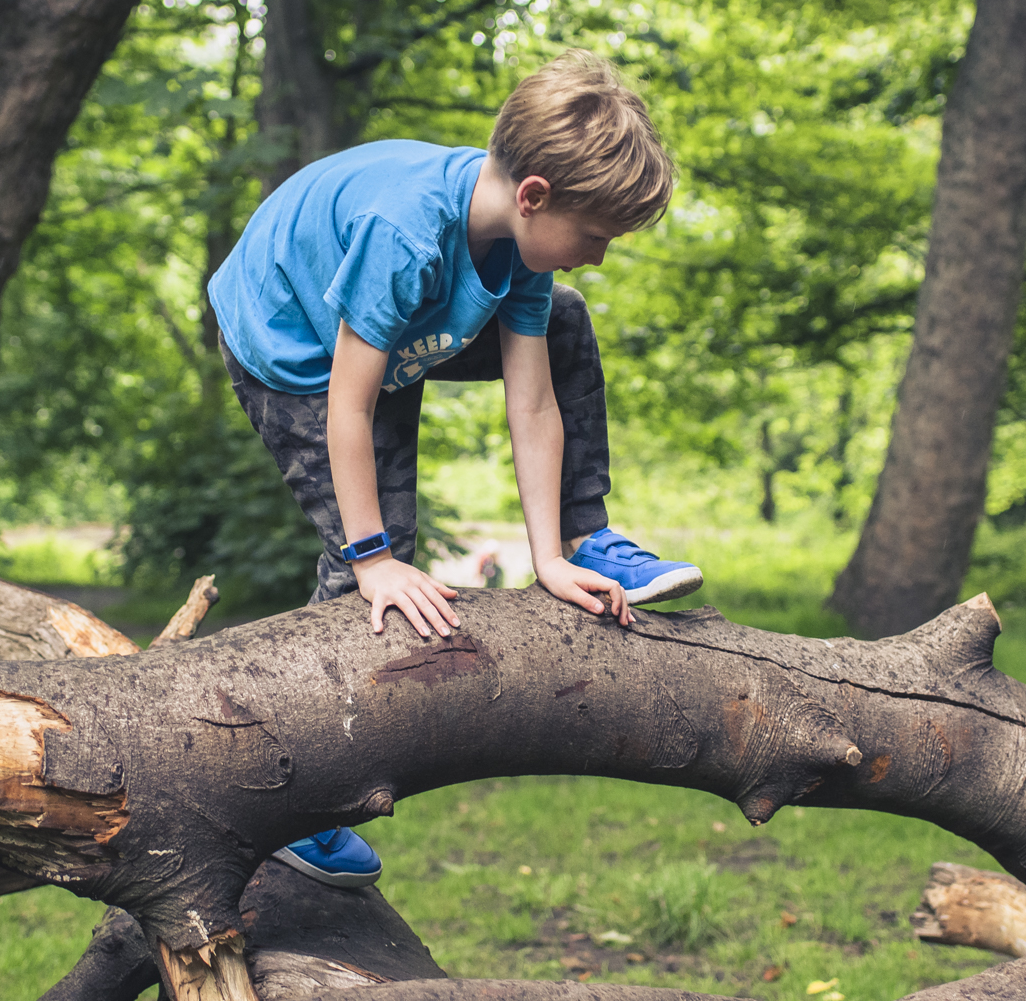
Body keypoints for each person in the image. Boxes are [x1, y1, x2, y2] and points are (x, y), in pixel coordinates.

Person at [208, 50, 701, 889]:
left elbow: (534, 401)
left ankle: (589, 539)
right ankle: (298, 800)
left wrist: (548, 557)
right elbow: (347, 406)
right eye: (596, 236)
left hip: (394, 333)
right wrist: (369, 558)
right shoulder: (404, 234)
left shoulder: (519, 249)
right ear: (536, 196)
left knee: (569, 325)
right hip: (294, 348)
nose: (600, 255)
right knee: (378, 570)